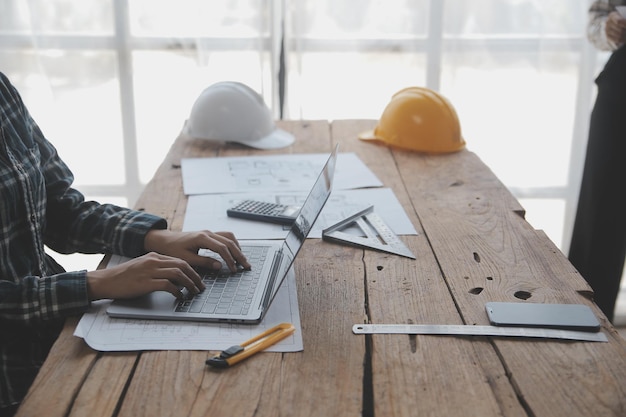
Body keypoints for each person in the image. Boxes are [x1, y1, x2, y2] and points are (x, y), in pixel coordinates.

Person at [0, 72, 251, 416]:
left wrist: (155, 238)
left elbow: (59, 209)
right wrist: (96, 283)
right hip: (14, 383)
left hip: (57, 332)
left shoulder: (2, 91)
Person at [569, 0, 626, 323]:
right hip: (622, 88)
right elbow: (598, 19)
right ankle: (587, 325)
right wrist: (607, 28)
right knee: (600, 215)